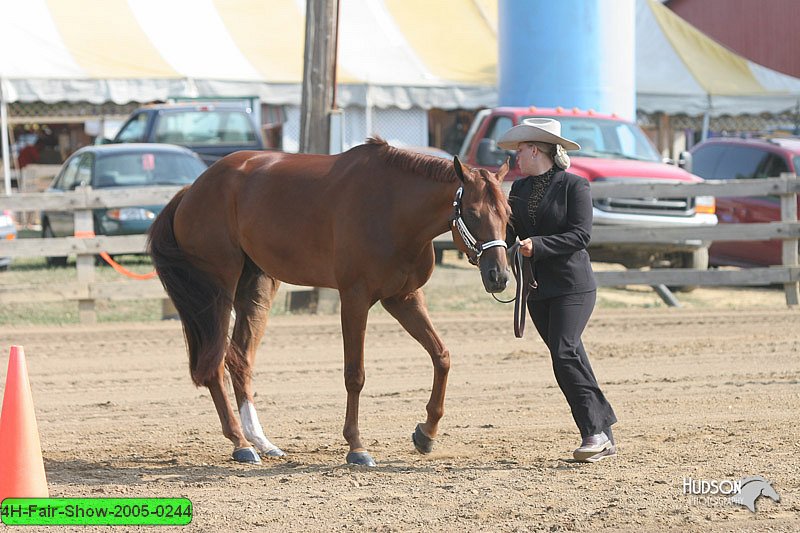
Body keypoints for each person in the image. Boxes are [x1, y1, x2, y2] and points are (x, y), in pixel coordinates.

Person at [499, 118, 617, 462]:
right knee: (571, 357)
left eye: (520, 149)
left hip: (572, 287)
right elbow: (510, 233)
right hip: (536, 290)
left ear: (536, 149)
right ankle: (603, 432)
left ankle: (593, 433)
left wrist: (538, 245)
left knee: (564, 354)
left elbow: (581, 236)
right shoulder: (518, 190)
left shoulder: (575, 186)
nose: (516, 157)